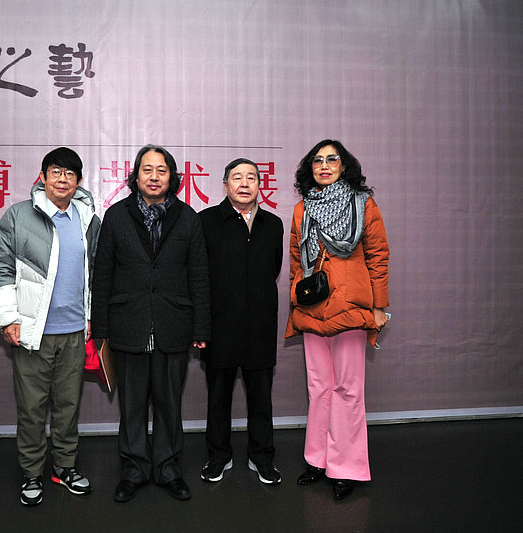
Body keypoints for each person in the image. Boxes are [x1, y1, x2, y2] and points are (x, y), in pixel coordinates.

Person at [92, 145, 211, 503]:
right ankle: (134, 470)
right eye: (147, 169)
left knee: (168, 403)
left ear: (172, 177)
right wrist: (100, 329)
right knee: (131, 405)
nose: (154, 176)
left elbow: (199, 276)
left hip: (173, 324)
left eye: (162, 170)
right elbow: (102, 274)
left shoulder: (188, 218)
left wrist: (201, 328)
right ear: (136, 176)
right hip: (128, 324)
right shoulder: (116, 216)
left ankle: (167, 469)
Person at [0, 147, 101, 506]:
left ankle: (64, 467)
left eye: (70, 173)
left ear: (78, 181)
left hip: (74, 332)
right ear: (42, 176)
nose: (62, 179)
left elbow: (97, 271)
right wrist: (8, 318)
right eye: (56, 171)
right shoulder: (19, 215)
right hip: (32, 333)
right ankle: (31, 472)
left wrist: (93, 319)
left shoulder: (88, 218)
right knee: (32, 409)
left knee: (68, 406)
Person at [285, 139, 389, 501]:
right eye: (318, 160)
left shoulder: (363, 203)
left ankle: (345, 467)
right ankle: (317, 460)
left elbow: (378, 257)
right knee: (319, 388)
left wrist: (378, 307)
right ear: (310, 168)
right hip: (312, 307)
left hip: (351, 307)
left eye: (332, 159)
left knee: (348, 390)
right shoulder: (302, 208)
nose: (324, 165)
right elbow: (296, 259)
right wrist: (298, 295)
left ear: (344, 166)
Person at [198, 158, 284, 485]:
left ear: (260, 185)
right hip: (219, 326)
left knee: (261, 399)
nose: (244, 183)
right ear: (225, 185)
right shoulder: (206, 221)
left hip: (260, 326)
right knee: (217, 399)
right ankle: (218, 456)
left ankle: (261, 457)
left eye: (251, 178)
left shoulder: (273, 224)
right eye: (237, 177)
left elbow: (273, 269)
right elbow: (199, 276)